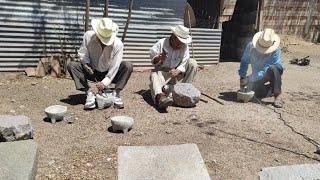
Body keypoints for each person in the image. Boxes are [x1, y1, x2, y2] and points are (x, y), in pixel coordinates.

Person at [67, 18, 133, 109]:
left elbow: (115, 66)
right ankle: (89, 93)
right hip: (92, 71)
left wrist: (105, 82)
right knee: (72, 65)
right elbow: (82, 53)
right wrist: (86, 64)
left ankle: (116, 93)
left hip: (109, 72)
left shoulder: (118, 44)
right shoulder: (88, 36)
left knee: (128, 66)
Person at [149, 25, 198, 110]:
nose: (181, 45)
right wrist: (159, 58)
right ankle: (160, 98)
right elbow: (153, 60)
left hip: (177, 75)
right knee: (154, 75)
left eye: (183, 43)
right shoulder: (162, 43)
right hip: (163, 73)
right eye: (179, 42)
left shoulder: (184, 47)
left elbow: (185, 62)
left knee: (193, 63)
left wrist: (178, 70)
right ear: (173, 37)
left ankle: (185, 93)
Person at [238, 28, 284, 108]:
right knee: (254, 92)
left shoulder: (276, 51)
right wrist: (242, 77)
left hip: (271, 72)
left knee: (274, 68)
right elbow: (244, 61)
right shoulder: (250, 46)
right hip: (257, 74)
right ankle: (271, 89)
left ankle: (278, 96)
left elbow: (265, 70)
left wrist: (248, 79)